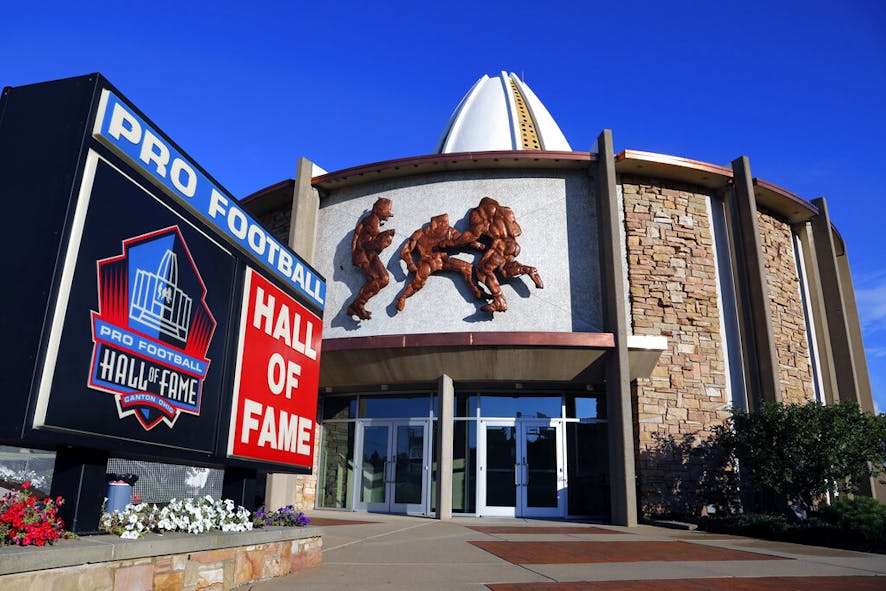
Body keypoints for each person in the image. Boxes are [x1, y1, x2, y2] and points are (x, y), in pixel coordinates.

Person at [439, 197, 543, 312]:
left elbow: (471, 235)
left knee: (483, 270)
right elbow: (517, 230)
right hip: (514, 246)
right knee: (503, 271)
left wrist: (451, 243)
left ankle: (499, 301)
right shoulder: (507, 211)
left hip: (500, 245)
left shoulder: (480, 213)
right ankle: (527, 269)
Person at [396, 213, 483, 311]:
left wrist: (479, 245)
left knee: (467, 268)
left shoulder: (448, 231)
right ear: (434, 224)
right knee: (418, 283)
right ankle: (402, 297)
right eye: (443, 225)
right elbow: (405, 250)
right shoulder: (419, 234)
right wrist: (410, 263)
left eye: (445, 225)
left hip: (444, 260)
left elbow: (463, 239)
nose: (445, 227)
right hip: (427, 261)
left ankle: (477, 291)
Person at [347, 197, 394, 320]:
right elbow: (365, 244)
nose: (390, 213)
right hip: (365, 255)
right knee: (382, 279)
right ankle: (358, 304)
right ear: (380, 209)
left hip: (367, 255)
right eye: (388, 210)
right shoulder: (372, 221)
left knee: (381, 279)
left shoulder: (373, 221)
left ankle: (355, 306)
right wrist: (383, 241)